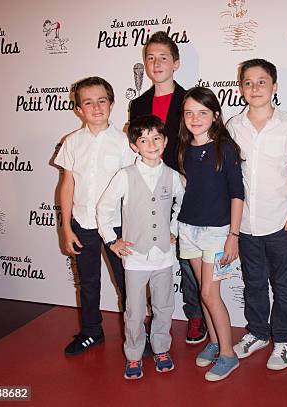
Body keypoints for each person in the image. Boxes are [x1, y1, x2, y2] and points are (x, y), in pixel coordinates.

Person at [227, 59, 287, 370]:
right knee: (254, 283)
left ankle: (284, 339)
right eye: (248, 82)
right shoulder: (234, 126)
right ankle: (258, 332)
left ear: (274, 87)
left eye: (262, 82)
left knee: (284, 285)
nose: (255, 88)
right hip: (246, 223)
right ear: (241, 88)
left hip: (281, 221)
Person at [129, 31, 206, 349]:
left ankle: (196, 314)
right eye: (150, 57)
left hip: (184, 187)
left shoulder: (191, 100)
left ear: (176, 63)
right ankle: (145, 319)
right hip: (148, 189)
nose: (156, 63)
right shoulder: (138, 104)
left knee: (187, 255)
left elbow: (199, 141)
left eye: (163, 57)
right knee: (150, 253)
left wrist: (189, 177)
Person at [97, 115, 184, 379]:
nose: (151, 143)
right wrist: (112, 240)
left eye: (156, 138)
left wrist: (174, 229)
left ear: (165, 141)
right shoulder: (125, 176)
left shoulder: (173, 176)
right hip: (135, 258)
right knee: (134, 311)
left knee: (164, 306)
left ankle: (161, 349)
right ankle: (134, 354)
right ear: (134, 146)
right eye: (143, 139)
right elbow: (104, 208)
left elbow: (183, 205)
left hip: (164, 258)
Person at [55, 76, 136, 356]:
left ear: (112, 104)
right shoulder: (72, 142)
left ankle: (135, 334)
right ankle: (91, 331)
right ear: (78, 109)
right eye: (88, 102)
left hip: (117, 226)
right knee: (88, 283)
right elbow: (67, 185)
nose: (96, 107)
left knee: (127, 283)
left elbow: (133, 188)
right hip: (83, 224)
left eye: (102, 100)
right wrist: (66, 227)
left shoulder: (126, 143)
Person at [177, 87, 244, 381]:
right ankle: (215, 342)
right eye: (189, 113)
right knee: (203, 294)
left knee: (209, 293)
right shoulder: (182, 148)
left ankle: (228, 355)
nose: (195, 118)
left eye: (202, 112)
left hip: (218, 234)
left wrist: (234, 235)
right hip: (188, 230)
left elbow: (237, 193)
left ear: (215, 115)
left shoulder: (225, 148)